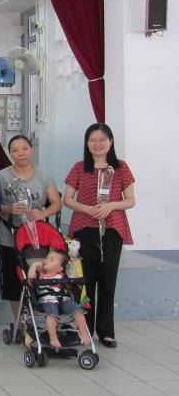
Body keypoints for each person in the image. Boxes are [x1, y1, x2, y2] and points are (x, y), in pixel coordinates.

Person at [63, 123, 135, 349]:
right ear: (87, 144)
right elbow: (67, 199)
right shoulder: (79, 168)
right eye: (92, 140)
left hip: (112, 230)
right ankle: (85, 329)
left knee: (108, 281)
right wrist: (86, 209)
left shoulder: (121, 167)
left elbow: (130, 200)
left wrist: (110, 206)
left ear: (110, 142)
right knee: (86, 282)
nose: (97, 144)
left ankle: (106, 331)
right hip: (85, 229)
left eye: (102, 139)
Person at [0, 135, 62, 334]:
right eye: (15, 150)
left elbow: (57, 203)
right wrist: (8, 208)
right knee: (13, 282)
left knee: (40, 279)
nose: (20, 153)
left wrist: (42, 213)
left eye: (24, 148)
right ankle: (20, 324)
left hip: (38, 240)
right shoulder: (1, 177)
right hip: (10, 237)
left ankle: (40, 322)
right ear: (10, 153)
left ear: (31, 150)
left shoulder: (44, 175)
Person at [27, 249, 92, 347]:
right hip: (48, 301)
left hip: (64, 300)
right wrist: (34, 265)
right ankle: (53, 338)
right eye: (47, 258)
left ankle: (84, 334)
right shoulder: (40, 275)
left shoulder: (62, 276)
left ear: (59, 268)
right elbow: (30, 280)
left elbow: (72, 281)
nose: (46, 260)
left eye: (51, 259)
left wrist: (73, 267)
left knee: (78, 311)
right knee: (52, 314)